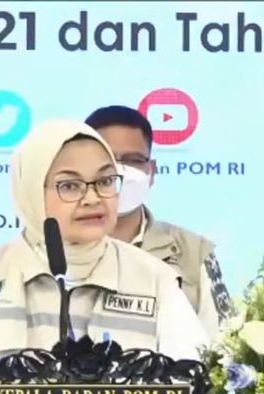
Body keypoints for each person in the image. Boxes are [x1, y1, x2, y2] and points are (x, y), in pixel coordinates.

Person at [0, 118, 210, 394]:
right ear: (31, 192)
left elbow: (196, 382)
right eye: (70, 185)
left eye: (105, 181)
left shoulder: (155, 278)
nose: (92, 198)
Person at [84, 105, 234, 339]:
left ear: (151, 171)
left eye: (133, 161)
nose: (120, 172)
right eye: (108, 160)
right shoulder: (52, 251)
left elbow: (223, 345)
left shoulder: (193, 252)